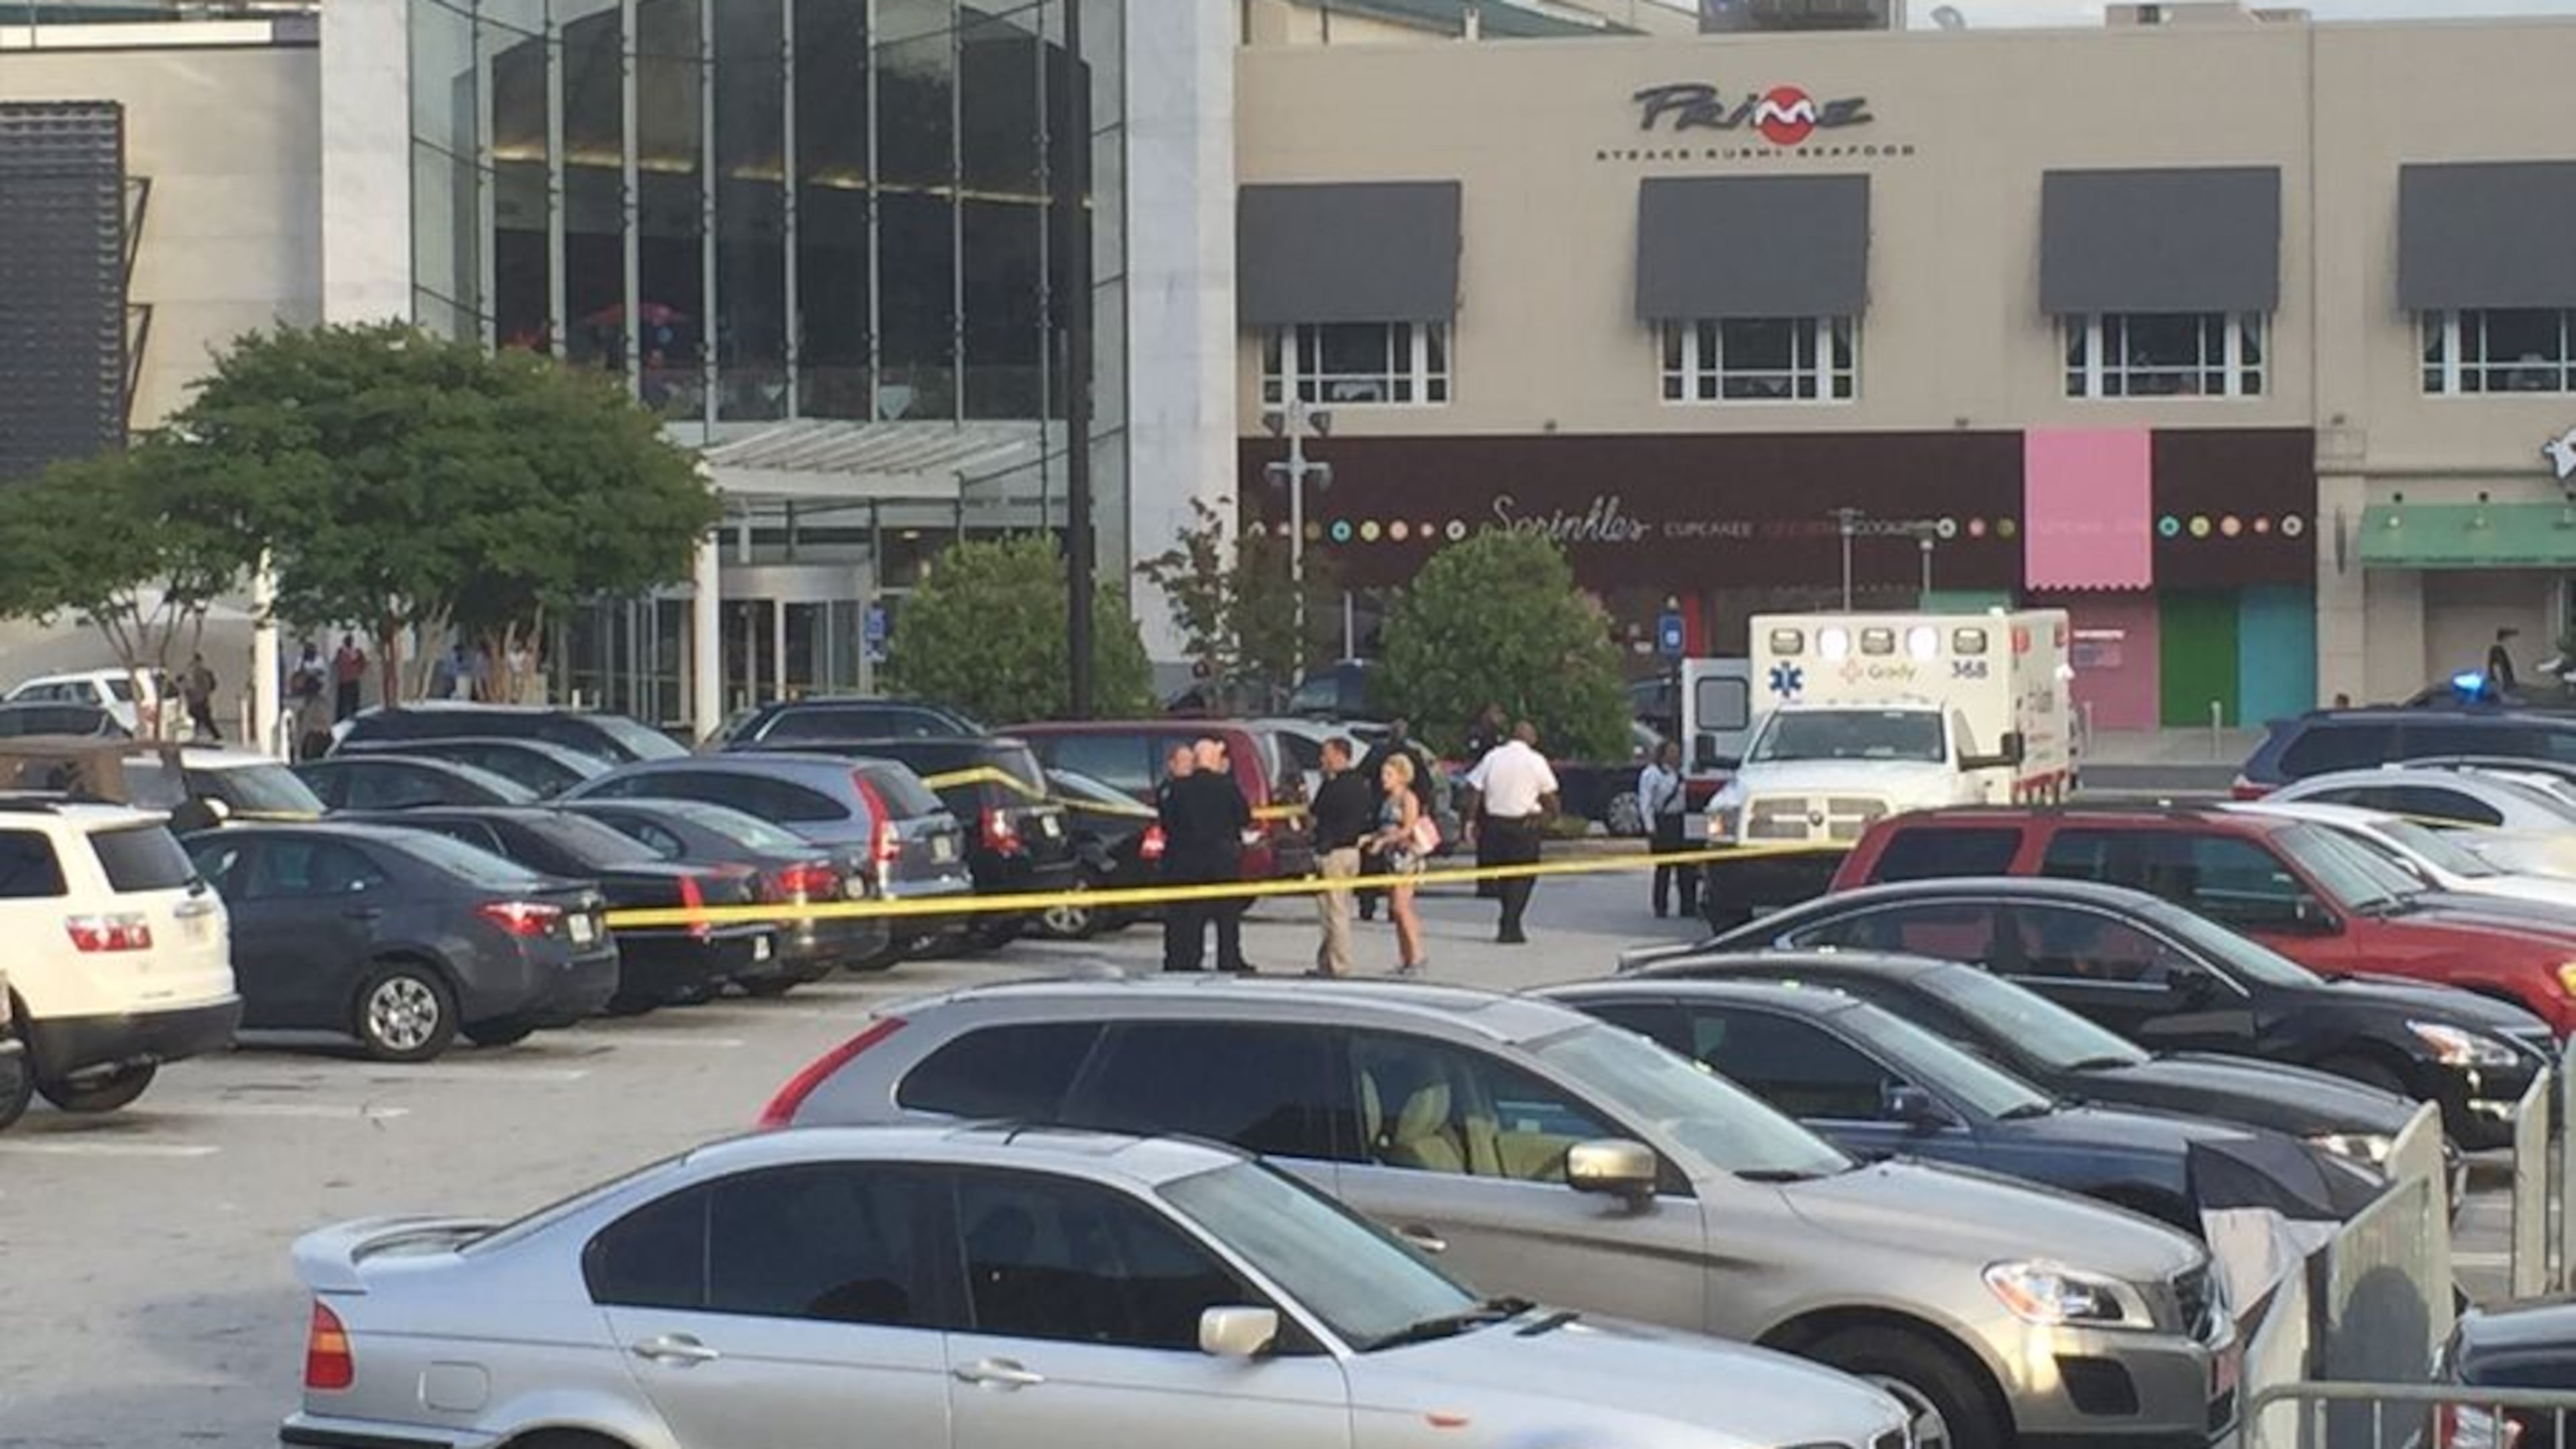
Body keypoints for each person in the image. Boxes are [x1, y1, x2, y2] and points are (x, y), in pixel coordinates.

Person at [1159, 739, 1252, 973]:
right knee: (1228, 915)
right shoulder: (1227, 786)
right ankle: (1229, 958)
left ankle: (1189, 959)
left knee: (1191, 914)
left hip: (1188, 862)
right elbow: (1244, 817)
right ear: (1215, 761)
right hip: (1223, 861)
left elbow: (1168, 823)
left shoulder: (1179, 789)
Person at [1464, 720, 1559, 945]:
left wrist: (1470, 821)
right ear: (1529, 738)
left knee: (1505, 876)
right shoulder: (1535, 761)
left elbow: (1475, 789)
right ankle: (1510, 922)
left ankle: (1509, 920)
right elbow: (1549, 795)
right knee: (1523, 877)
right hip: (1524, 826)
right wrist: (1551, 815)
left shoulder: (1493, 757)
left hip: (1495, 825)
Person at [1308, 737, 1373, 977]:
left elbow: (1316, 812)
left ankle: (1339, 964)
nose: (1322, 760)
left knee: (1334, 912)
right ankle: (1326, 961)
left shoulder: (1334, 786)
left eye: (1326, 754)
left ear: (1339, 755)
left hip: (1333, 852)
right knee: (1337, 907)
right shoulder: (1361, 785)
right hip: (1352, 852)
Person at [1362, 752, 1432, 975]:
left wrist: (1384, 841)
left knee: (1402, 908)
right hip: (1391, 857)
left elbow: (1408, 828)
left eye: (1389, 774)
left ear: (1402, 776)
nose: (1384, 778)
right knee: (1395, 908)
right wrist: (1371, 837)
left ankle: (1417, 955)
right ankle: (1405, 957)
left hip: (1406, 857)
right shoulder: (1387, 800)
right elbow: (1385, 827)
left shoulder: (1408, 798)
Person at [1355, 718, 1429, 922]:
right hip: (1383, 820)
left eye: (1387, 775)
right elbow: (1426, 787)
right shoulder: (1414, 756)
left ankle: (1370, 905)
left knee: (1371, 867)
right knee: (1380, 866)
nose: (1383, 778)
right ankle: (1391, 909)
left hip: (1390, 826)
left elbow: (1360, 776)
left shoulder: (1379, 754)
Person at [1640, 739, 1697, 920]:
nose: (1676, 755)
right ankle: (1661, 907)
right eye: (1672, 752)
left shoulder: (1683, 773)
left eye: (1678, 752)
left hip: (1681, 821)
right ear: (1663, 754)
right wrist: (1650, 827)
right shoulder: (1652, 774)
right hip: (1663, 822)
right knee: (1664, 869)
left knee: (1686, 868)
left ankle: (1688, 907)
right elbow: (1645, 802)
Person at [1154, 743, 1199, 972]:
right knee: (1178, 914)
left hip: (1192, 859)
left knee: (1193, 913)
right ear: (1171, 765)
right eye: (1184, 762)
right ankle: (1177, 959)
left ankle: (1191, 956)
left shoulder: (1187, 788)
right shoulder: (1170, 789)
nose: (1190, 767)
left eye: (1192, 762)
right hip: (1178, 859)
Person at [1466, 704, 1510, 899]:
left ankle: (1497, 882)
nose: (1499, 718)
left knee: (1498, 846)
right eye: (1495, 714)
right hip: (1484, 793)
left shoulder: (1502, 739)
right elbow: (1474, 765)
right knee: (1486, 845)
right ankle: (1485, 884)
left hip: (1497, 793)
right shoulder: (1479, 736)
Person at [292, 678, 334, 763]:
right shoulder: (307, 704)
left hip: (316, 738)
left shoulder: (321, 703)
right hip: (306, 738)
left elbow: (326, 722)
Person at [182, 653, 221, 741]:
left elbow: (205, 686)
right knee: (200, 717)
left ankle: (215, 735)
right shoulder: (193, 672)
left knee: (203, 717)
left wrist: (201, 694)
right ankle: (202, 735)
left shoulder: (200, 672)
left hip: (199, 698)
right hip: (196, 698)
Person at [332, 634, 368, 722]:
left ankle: (355, 720)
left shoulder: (357, 652)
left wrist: (357, 672)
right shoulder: (341, 652)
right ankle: (341, 721)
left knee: (354, 703)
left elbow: (363, 664)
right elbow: (336, 663)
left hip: (353, 680)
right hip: (344, 681)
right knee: (342, 704)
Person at [2489, 629, 2522, 696]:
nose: (2510, 641)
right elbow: (2501, 668)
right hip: (2504, 687)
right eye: (2509, 639)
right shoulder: (2498, 650)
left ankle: (2506, 686)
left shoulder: (2498, 649)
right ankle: (2507, 686)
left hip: (2504, 686)